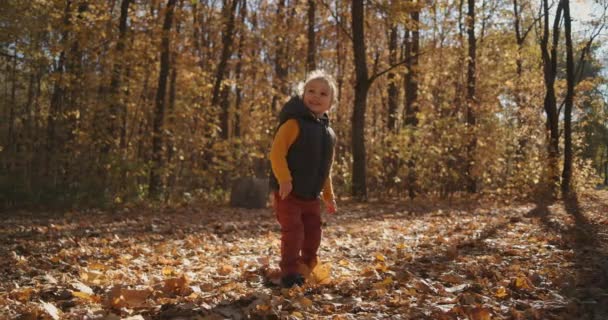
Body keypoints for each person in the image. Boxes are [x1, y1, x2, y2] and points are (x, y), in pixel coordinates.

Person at [269, 70, 338, 288]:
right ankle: (289, 273)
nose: (316, 96)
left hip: (311, 196)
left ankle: (305, 267)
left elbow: (325, 168)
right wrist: (284, 179)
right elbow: (276, 153)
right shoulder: (293, 124)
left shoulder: (329, 135)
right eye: (311, 91)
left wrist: (328, 195)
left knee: (313, 233)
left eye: (323, 93)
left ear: (331, 103)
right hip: (288, 193)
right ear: (302, 94)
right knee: (294, 232)